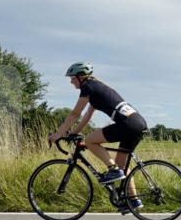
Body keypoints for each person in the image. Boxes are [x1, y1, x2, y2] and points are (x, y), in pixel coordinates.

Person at [48, 62, 148, 211]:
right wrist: (74, 132)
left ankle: (112, 169)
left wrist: (57, 135)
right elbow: (86, 117)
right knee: (122, 165)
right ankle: (133, 201)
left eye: (73, 78)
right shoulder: (97, 88)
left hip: (127, 124)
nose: (71, 82)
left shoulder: (87, 87)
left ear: (81, 77)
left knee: (90, 141)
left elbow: (75, 114)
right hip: (138, 123)